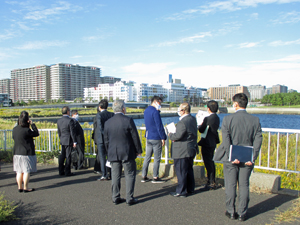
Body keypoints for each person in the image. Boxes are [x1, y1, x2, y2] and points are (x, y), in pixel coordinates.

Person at [214, 93, 262, 221]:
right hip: (247, 158)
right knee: (244, 185)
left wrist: (231, 156)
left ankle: (231, 211)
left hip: (231, 158)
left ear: (235, 104)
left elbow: (226, 141)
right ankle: (242, 213)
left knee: (230, 185)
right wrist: (252, 157)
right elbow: (258, 141)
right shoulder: (255, 120)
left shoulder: (228, 119)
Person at [104, 100, 142, 205]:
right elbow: (135, 137)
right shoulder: (128, 120)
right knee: (130, 174)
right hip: (127, 152)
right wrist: (138, 150)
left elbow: (106, 140)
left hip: (113, 152)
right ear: (123, 109)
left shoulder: (108, 122)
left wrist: (109, 151)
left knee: (115, 175)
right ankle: (129, 198)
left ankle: (115, 197)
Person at [168, 103, 198, 197]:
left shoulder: (182, 122)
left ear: (183, 111)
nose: (178, 111)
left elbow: (178, 136)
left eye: (179, 109)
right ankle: (190, 189)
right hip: (190, 148)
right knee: (189, 170)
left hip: (181, 150)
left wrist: (170, 135)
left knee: (181, 171)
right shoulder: (192, 119)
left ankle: (181, 191)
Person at [141, 96, 167, 183]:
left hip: (148, 137)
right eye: (160, 103)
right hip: (156, 137)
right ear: (156, 102)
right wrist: (163, 137)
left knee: (147, 157)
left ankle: (144, 175)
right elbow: (159, 126)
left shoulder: (146, 110)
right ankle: (155, 176)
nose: (160, 105)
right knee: (157, 158)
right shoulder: (155, 112)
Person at [13, 111, 39, 193]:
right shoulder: (27, 130)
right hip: (26, 153)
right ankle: (25, 187)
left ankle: (19, 187)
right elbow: (36, 133)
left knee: (19, 171)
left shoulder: (15, 129)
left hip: (17, 153)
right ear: (27, 120)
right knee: (26, 171)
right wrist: (33, 124)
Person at [198, 100, 220, 190]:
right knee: (211, 162)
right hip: (213, 142)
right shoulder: (217, 118)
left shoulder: (207, 118)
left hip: (206, 142)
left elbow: (201, 130)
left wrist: (200, 123)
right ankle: (212, 181)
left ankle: (210, 182)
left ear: (208, 109)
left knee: (208, 163)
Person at [95, 99, 114, 180]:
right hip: (110, 139)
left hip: (101, 139)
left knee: (102, 157)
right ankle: (111, 173)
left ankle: (104, 174)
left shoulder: (98, 115)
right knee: (110, 157)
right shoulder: (111, 114)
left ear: (99, 107)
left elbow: (100, 127)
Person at [57, 106, 77, 176]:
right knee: (68, 156)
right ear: (68, 112)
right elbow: (72, 132)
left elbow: (59, 132)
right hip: (68, 140)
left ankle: (61, 171)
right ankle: (67, 171)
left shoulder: (59, 121)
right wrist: (74, 141)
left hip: (63, 139)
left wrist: (61, 138)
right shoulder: (70, 120)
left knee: (62, 155)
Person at [93, 106, 101, 174]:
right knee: (99, 154)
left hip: (96, 137)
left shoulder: (96, 117)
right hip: (99, 138)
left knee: (98, 153)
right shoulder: (98, 117)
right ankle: (98, 168)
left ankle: (97, 168)